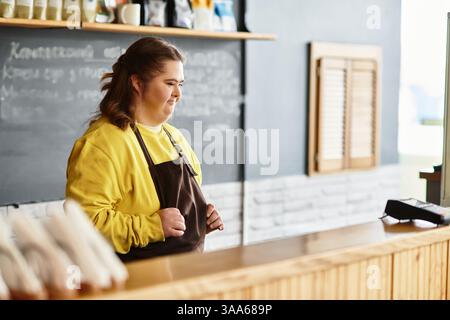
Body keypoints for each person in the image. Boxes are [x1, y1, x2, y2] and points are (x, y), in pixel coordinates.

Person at [65, 37, 224, 262]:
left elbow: (177, 219)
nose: (178, 93)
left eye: (181, 84)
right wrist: (152, 226)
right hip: (131, 284)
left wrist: (199, 221)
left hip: (185, 277)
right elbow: (83, 223)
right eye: (170, 83)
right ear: (138, 83)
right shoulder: (102, 143)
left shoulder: (175, 138)